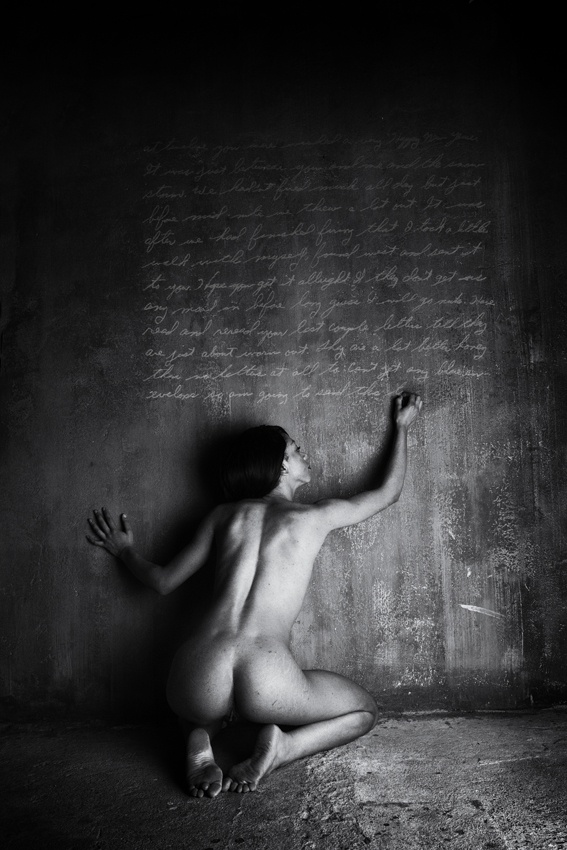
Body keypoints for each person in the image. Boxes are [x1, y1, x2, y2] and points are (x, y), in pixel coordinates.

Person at [87, 391, 422, 798]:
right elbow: (388, 493)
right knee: (363, 711)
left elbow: (162, 581)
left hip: (197, 666)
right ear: (282, 464)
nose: (303, 454)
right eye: (296, 449)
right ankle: (282, 748)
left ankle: (198, 734)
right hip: (267, 671)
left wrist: (125, 551)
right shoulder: (315, 517)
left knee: (202, 708)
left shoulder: (223, 515)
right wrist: (402, 427)